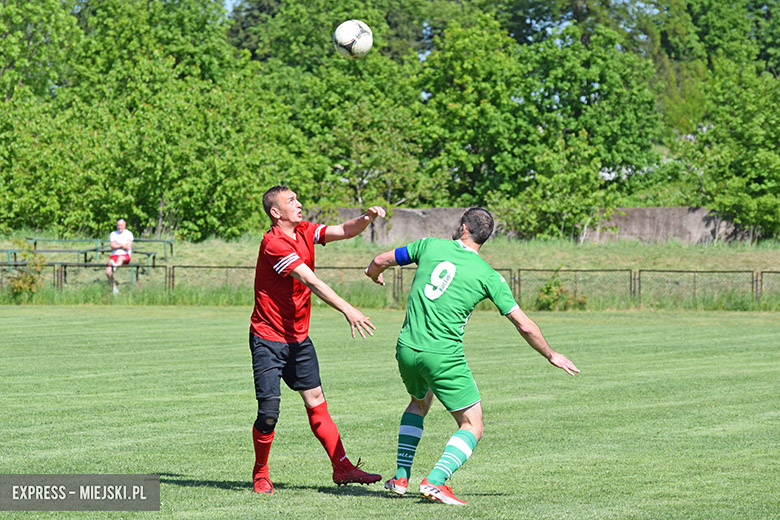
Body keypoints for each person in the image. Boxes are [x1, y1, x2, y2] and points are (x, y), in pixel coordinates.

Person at [364, 207, 579, 506]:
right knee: (473, 425)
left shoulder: (428, 245)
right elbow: (524, 325)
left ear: (463, 227)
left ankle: (401, 477)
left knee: (418, 401)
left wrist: (373, 275)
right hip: (442, 355)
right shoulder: (487, 275)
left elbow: (379, 261)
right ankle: (435, 481)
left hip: (406, 348)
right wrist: (551, 354)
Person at [249, 185, 386, 495]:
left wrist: (366, 217)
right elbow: (310, 281)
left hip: (298, 339)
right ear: (276, 212)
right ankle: (261, 472)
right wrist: (348, 309)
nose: (299, 204)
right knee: (269, 413)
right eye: (291, 201)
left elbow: (344, 230)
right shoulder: (274, 243)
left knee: (316, 402)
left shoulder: (306, 231)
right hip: (268, 338)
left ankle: (342, 467)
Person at [105, 218, 133, 294]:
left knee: (120, 258)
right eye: (118, 225)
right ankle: (114, 288)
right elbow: (112, 246)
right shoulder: (113, 234)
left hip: (125, 255)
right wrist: (121, 245)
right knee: (108, 272)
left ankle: (115, 265)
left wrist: (117, 245)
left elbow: (128, 247)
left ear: (124, 225)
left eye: (121, 225)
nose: (119, 227)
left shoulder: (128, 234)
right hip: (114, 256)